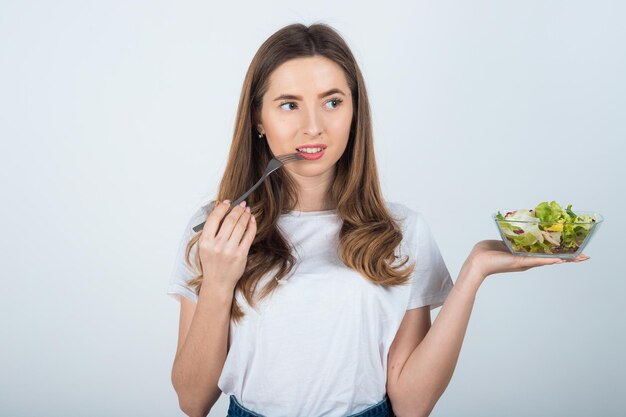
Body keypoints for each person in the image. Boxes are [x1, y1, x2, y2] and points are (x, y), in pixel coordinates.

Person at [167, 23, 590, 417]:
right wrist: (219, 282)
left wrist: (473, 271)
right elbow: (192, 400)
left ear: (355, 112)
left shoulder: (403, 232)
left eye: (333, 102)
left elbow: (410, 404)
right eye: (289, 105)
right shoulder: (216, 233)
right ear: (259, 118)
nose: (313, 127)